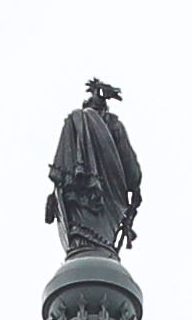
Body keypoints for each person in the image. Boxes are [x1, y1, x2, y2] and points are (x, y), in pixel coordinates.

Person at [45, 80, 142, 256]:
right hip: (109, 205)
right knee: (101, 246)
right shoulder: (114, 127)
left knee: (84, 246)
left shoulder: (74, 124)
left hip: (76, 209)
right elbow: (133, 176)